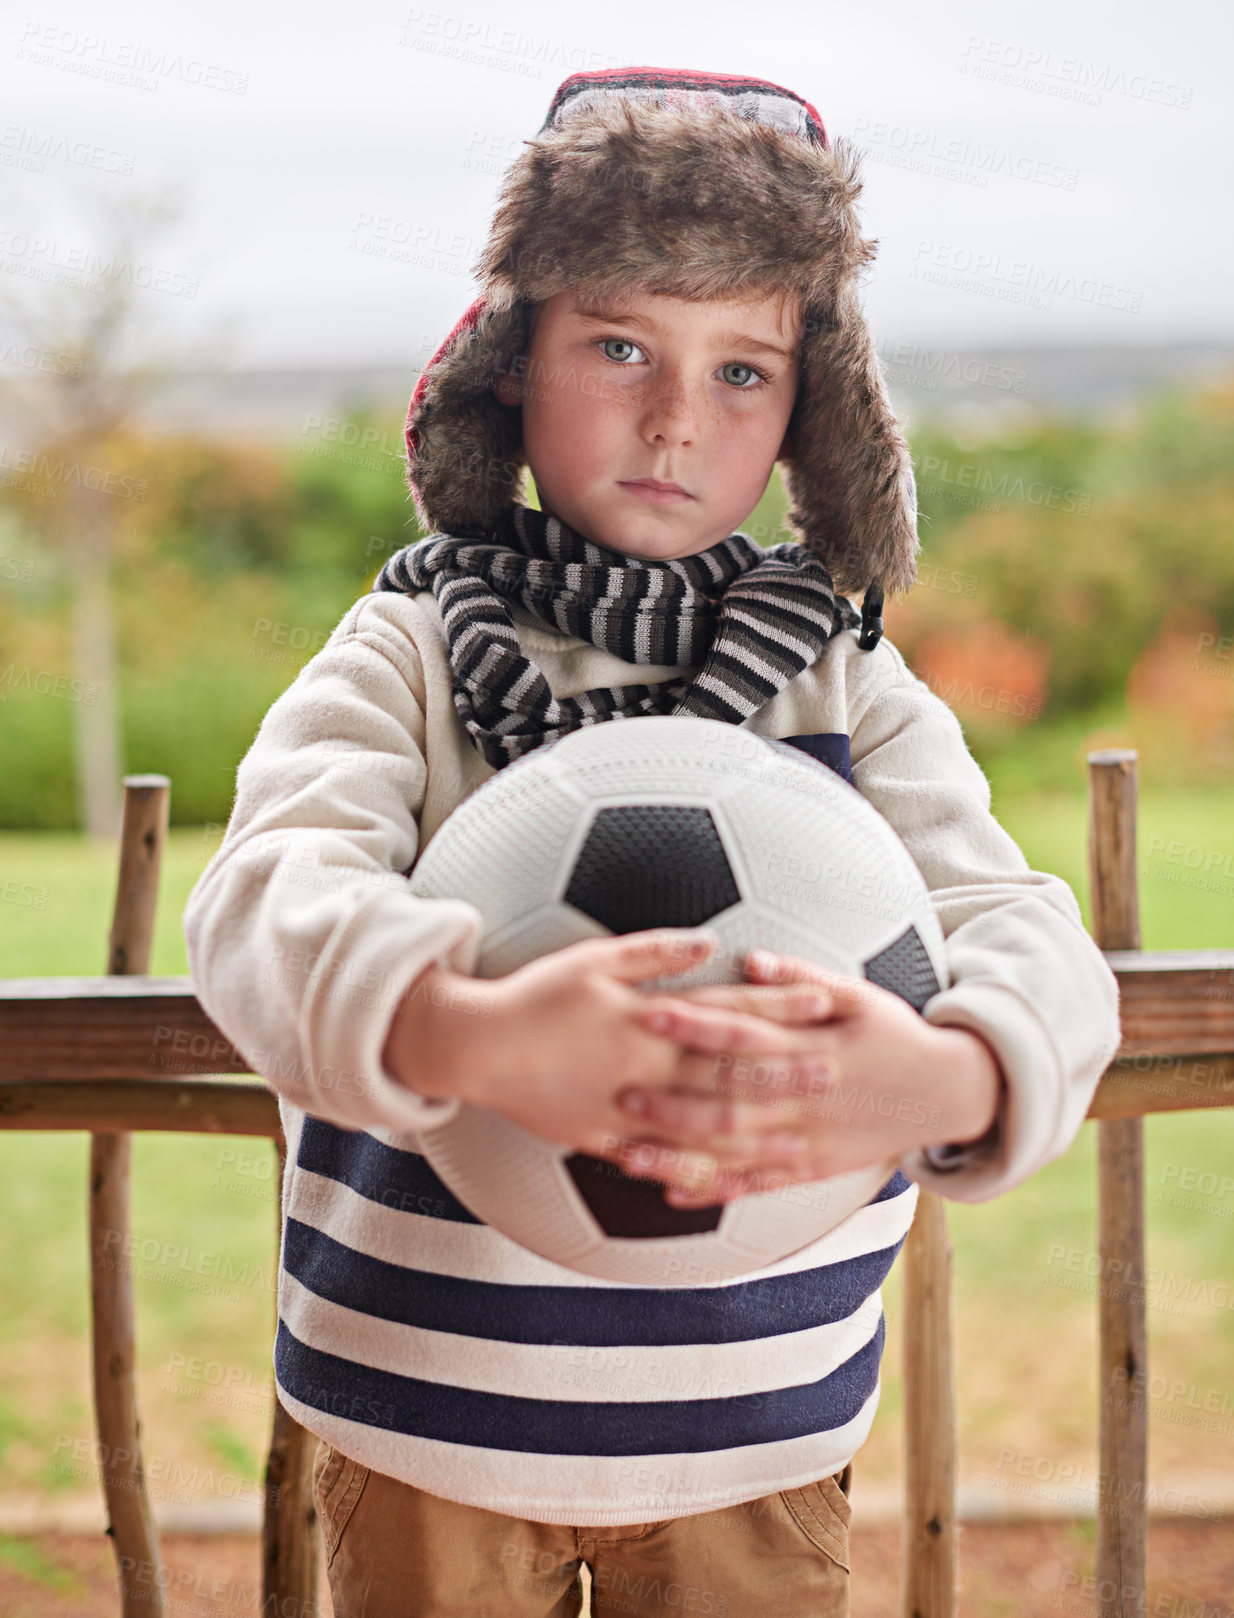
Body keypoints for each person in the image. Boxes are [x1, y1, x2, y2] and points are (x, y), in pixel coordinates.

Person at [183, 66, 1121, 1616]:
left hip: (756, 1436)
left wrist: (954, 1073)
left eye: (741, 371)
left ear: (814, 414)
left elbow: (1017, 923)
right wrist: (461, 1026)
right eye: (619, 344)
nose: (677, 417)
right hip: (424, 1423)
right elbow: (263, 900)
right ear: (506, 368)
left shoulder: (841, 676)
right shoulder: (409, 652)